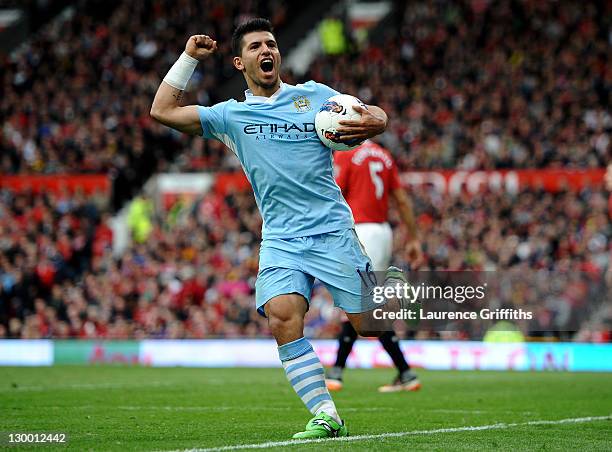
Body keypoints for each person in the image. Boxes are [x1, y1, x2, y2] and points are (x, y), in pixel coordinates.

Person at [150, 18, 402, 439]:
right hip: (282, 239)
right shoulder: (231, 115)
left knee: (369, 325)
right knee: (283, 319)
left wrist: (377, 122)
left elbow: (372, 111)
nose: (266, 51)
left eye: (271, 44)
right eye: (255, 47)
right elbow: (163, 110)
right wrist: (188, 59)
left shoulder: (315, 97)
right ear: (238, 62)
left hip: (331, 231)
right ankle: (326, 415)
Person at [325, 140, 423, 392]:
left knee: (359, 304)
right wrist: (412, 237)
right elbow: (401, 199)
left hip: (359, 228)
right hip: (382, 232)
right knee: (365, 305)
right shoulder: (384, 155)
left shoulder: (347, 154)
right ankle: (403, 372)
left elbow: (333, 193)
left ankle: (337, 373)